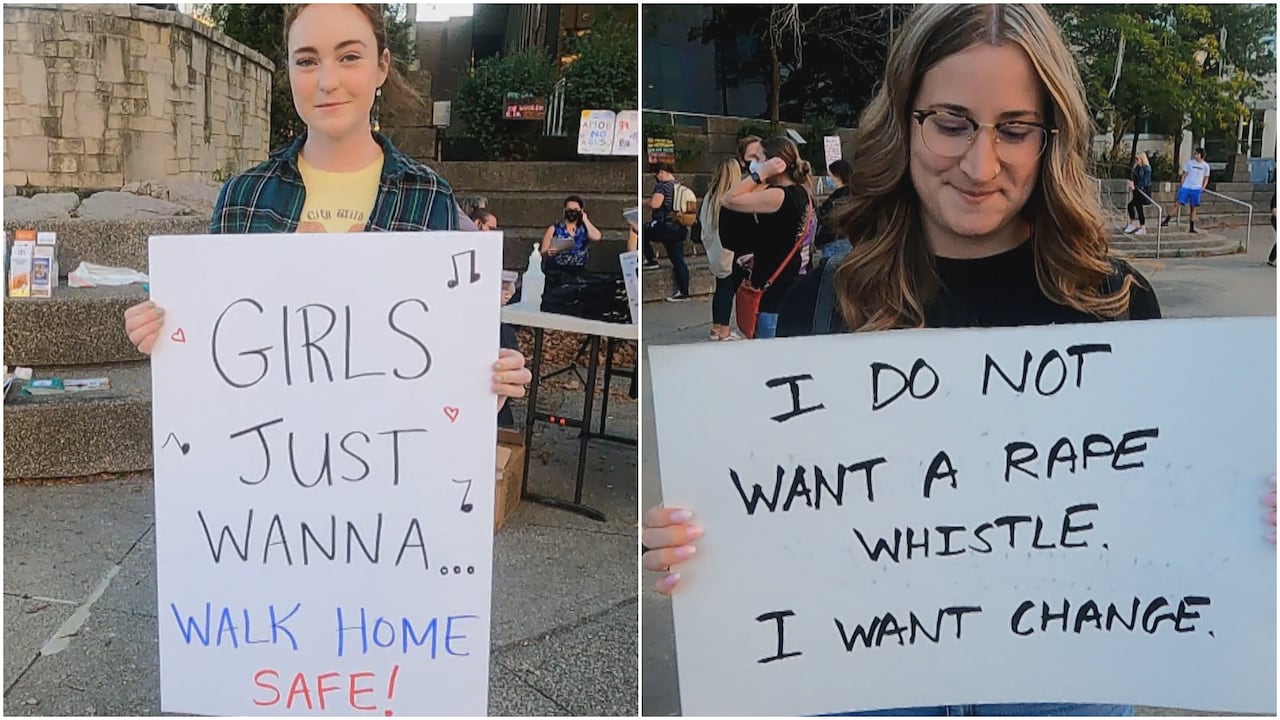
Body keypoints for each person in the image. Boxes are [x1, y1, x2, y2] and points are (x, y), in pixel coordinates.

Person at [642, 4, 1277, 716]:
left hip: (1067, 685)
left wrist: (1250, 519)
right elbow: (780, 498)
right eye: (950, 123)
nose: (981, 164)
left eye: (1015, 128)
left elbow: (1172, 508)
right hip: (864, 681)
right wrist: (702, 550)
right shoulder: (829, 294)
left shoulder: (1114, 304)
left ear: (1051, 136)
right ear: (904, 120)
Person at [122, 3, 530, 411]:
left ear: (381, 66)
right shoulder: (244, 200)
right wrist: (166, 333)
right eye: (306, 60)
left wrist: (489, 384)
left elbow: (448, 355)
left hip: (388, 456)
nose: (327, 80)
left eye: (349, 56)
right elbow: (218, 355)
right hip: (270, 456)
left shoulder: (428, 197)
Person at [719, 136, 814, 339]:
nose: (754, 163)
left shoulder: (779, 196)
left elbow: (728, 199)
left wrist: (760, 175)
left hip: (775, 298)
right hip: (794, 290)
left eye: (760, 158)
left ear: (775, 163)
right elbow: (782, 238)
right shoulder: (802, 193)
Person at [699, 158, 745, 341]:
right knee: (728, 288)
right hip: (731, 249)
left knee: (721, 287)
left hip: (715, 248)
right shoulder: (733, 198)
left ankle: (716, 326)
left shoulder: (711, 196)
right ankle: (724, 330)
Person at [643, 163, 691, 300]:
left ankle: (650, 259)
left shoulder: (662, 186)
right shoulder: (679, 186)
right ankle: (684, 291)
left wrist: (645, 203)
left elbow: (655, 204)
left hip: (664, 227)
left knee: (642, 230)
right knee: (678, 260)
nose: (656, 177)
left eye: (657, 173)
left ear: (663, 172)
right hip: (679, 227)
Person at [540, 195, 602, 268]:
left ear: (581, 211)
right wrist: (548, 252)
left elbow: (597, 237)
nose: (572, 212)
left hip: (579, 270)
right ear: (565, 210)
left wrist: (585, 219)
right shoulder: (554, 228)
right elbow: (543, 250)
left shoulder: (584, 228)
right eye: (569, 209)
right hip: (557, 270)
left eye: (575, 209)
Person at [1161, 147, 1210, 233]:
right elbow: (1184, 174)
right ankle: (1166, 220)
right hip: (1187, 186)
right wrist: (1182, 184)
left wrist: (1203, 187)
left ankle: (1191, 227)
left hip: (1196, 188)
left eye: (1197, 154)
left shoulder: (1205, 166)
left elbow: (1206, 178)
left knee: (1193, 208)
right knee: (1177, 203)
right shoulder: (1190, 163)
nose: (1195, 155)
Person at [815, 158, 855, 259]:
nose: (829, 179)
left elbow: (828, 221)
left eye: (830, 176)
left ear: (838, 176)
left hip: (834, 242)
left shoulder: (838, 198)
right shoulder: (852, 194)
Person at [1123, 152, 1152, 235]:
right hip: (1137, 191)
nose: (1136, 161)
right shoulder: (1136, 168)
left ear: (1142, 159)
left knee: (1132, 205)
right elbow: (1133, 177)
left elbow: (1145, 182)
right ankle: (1139, 226)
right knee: (1137, 207)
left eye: (1137, 159)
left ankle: (1136, 224)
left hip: (1143, 191)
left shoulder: (1147, 169)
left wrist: (1135, 186)